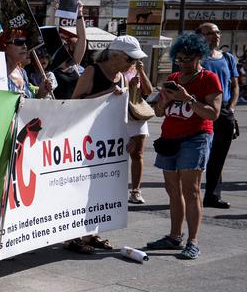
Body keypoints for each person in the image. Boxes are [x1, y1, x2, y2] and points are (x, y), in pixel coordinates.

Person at [63, 36, 145, 254]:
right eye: (130, 59)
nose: (132, 64)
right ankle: (73, 236)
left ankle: (91, 234)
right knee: (80, 188)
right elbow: (75, 103)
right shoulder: (92, 71)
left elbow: (122, 112)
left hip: (107, 143)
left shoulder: (123, 77)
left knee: (100, 190)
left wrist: (129, 137)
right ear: (116, 55)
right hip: (86, 140)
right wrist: (106, 93)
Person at [145, 33, 222, 261]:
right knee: (172, 190)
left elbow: (213, 114)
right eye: (179, 58)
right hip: (169, 138)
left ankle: (193, 241)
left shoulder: (209, 79)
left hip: (195, 138)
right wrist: (164, 100)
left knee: (191, 191)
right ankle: (174, 236)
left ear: (199, 56)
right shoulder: (174, 77)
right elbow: (158, 112)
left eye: (187, 58)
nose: (183, 63)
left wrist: (188, 98)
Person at [197, 23, 239, 209]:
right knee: (198, 152)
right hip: (203, 109)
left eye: (217, 32)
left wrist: (231, 108)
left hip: (224, 110)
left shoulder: (228, 58)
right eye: (210, 33)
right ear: (201, 36)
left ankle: (212, 195)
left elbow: (235, 85)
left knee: (219, 155)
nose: (215, 36)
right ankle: (191, 193)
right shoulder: (197, 58)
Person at [124, 54, 153, 205]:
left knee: (137, 154)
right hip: (120, 116)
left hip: (137, 115)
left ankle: (135, 191)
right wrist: (129, 87)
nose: (133, 61)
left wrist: (141, 72)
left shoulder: (137, 70)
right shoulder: (117, 70)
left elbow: (148, 91)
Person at [0, 29, 53, 98]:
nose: (25, 46)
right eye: (19, 42)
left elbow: (27, 102)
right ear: (4, 46)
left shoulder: (22, 72)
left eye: (26, 42)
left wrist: (40, 93)